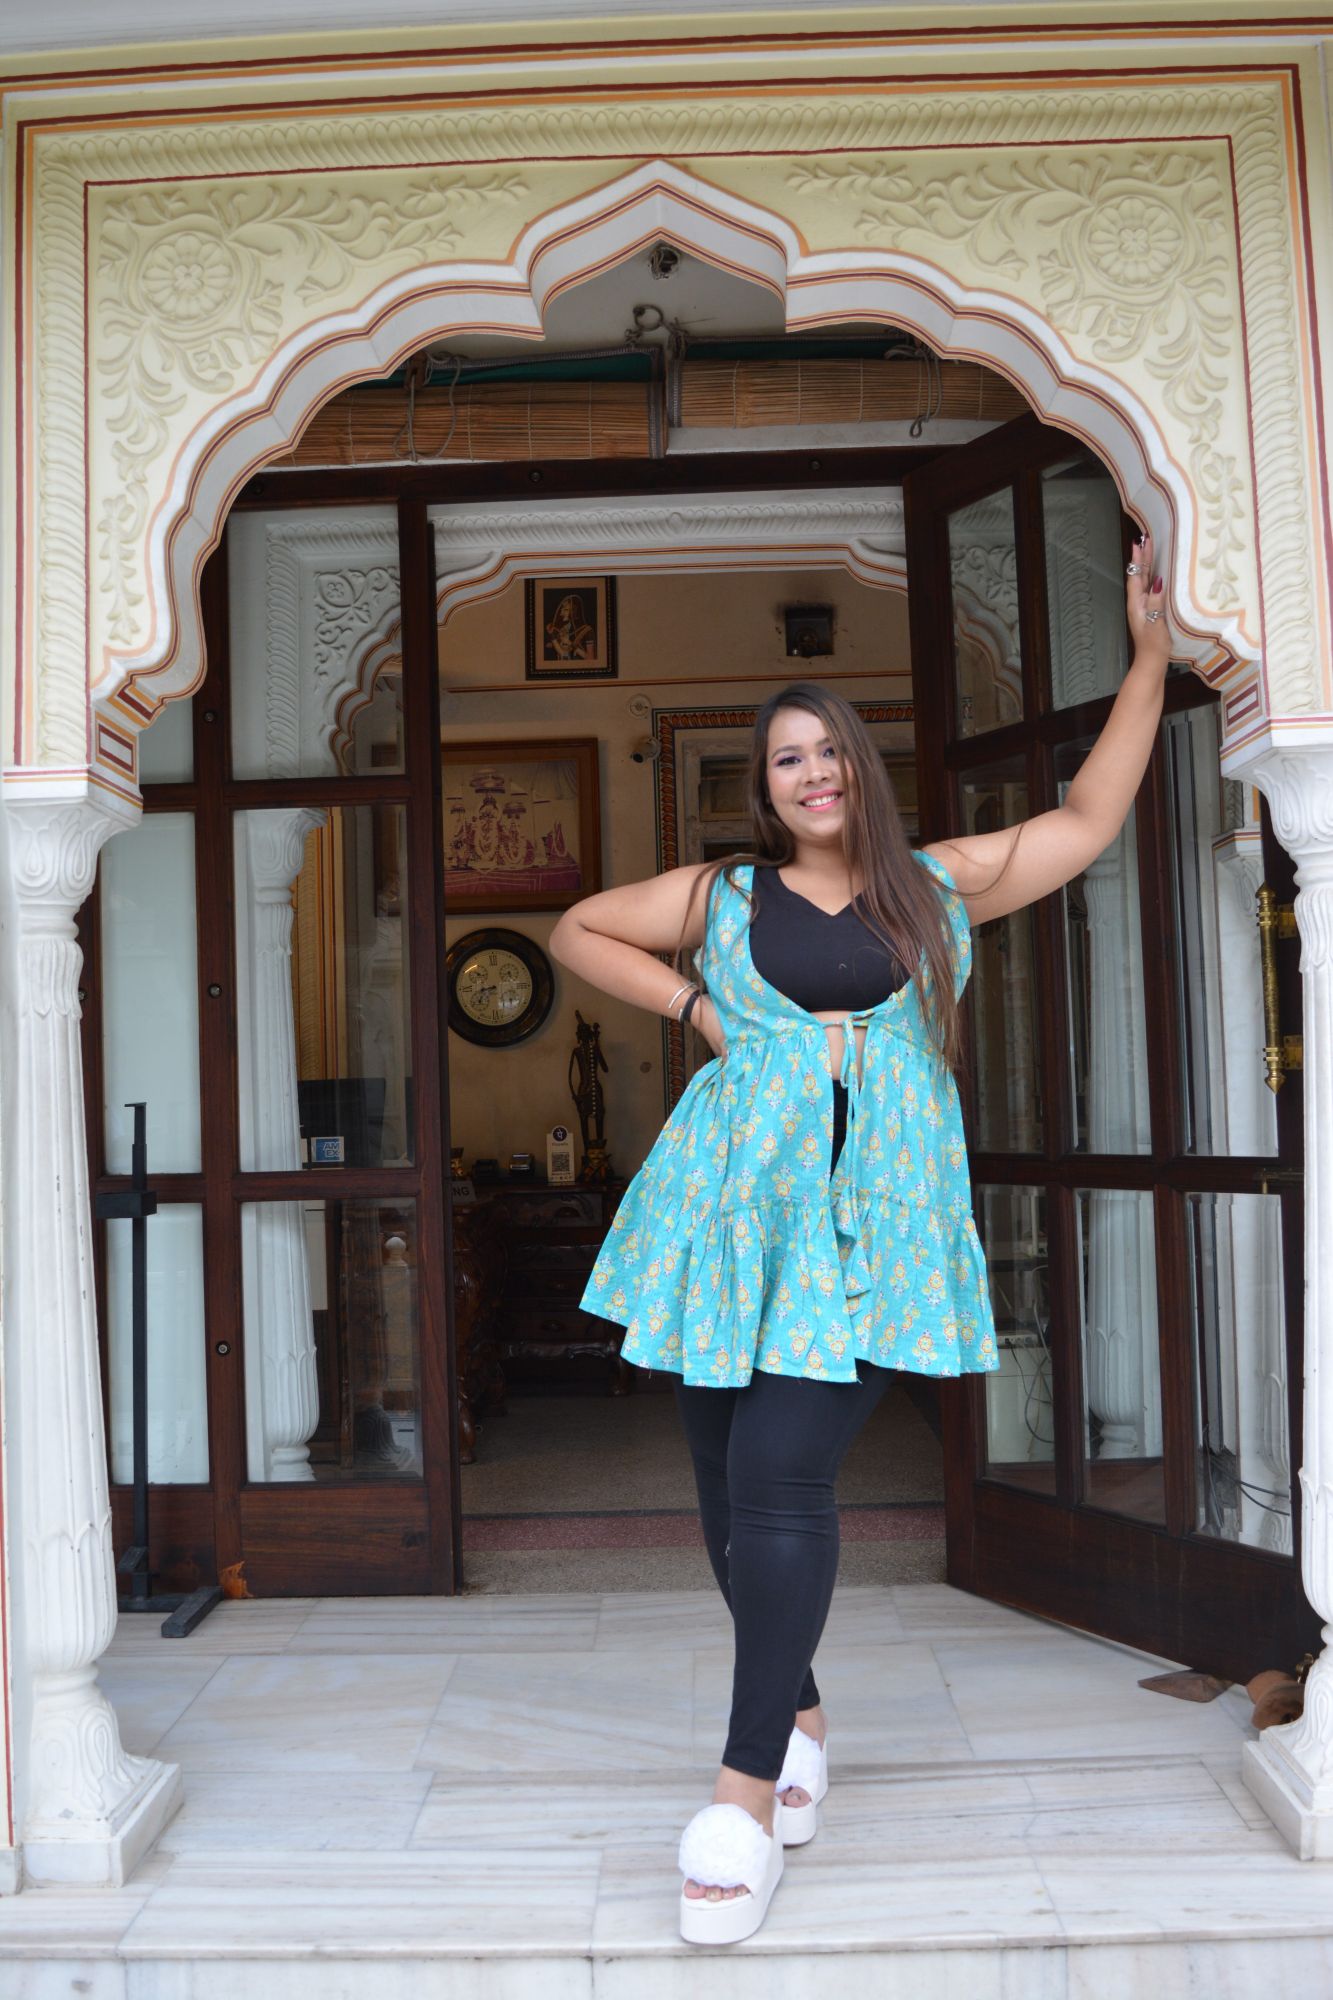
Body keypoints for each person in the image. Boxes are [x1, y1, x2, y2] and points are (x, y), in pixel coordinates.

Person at [550, 536, 1171, 1945]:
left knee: (779, 1475)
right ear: (760, 788)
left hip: (875, 1232)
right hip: (734, 1222)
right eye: (782, 762)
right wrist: (701, 1013)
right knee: (719, 1483)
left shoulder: (935, 886)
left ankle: (743, 1793)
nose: (809, 776)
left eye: (825, 753)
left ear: (859, 768)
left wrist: (1145, 661)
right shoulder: (720, 899)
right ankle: (805, 1712)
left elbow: (1082, 820)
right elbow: (579, 926)